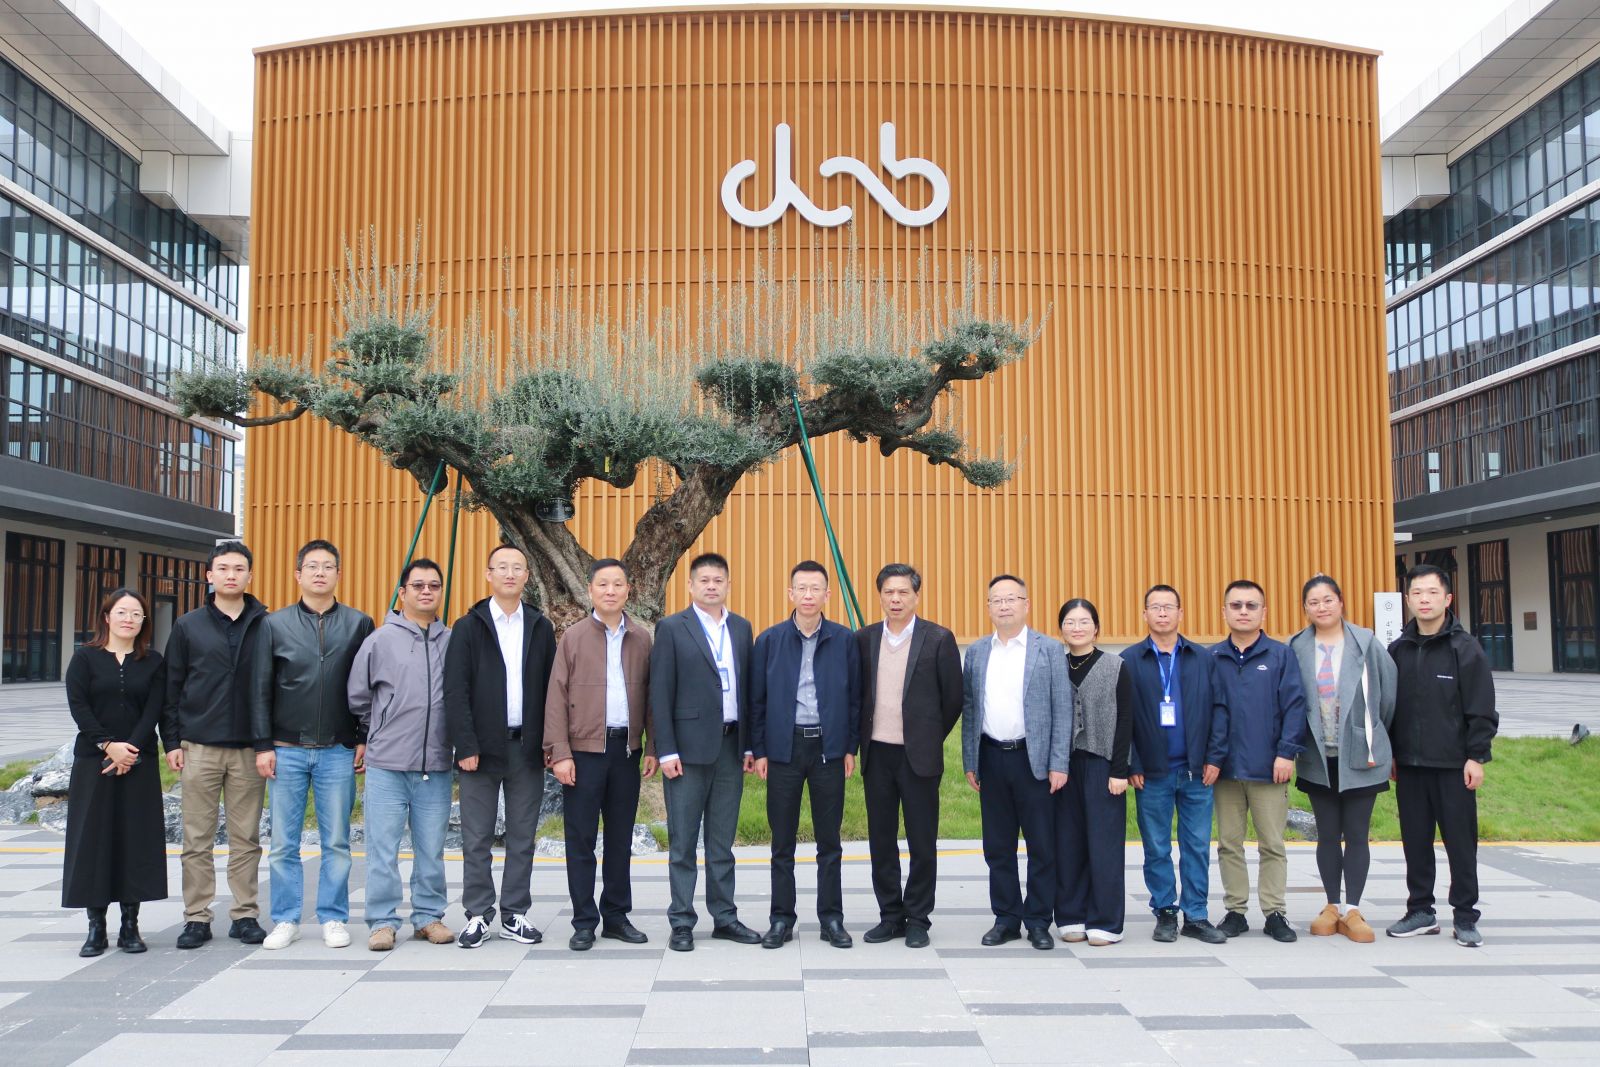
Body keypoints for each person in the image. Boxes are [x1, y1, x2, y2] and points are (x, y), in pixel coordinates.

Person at [251, 539, 375, 950]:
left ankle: (333, 916)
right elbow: (260, 689)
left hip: (338, 750)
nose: (320, 572)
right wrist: (262, 745)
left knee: (336, 841)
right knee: (283, 843)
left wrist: (362, 737)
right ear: (298, 574)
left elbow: (367, 687)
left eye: (328, 566)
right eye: (312, 566)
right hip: (285, 748)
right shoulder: (273, 625)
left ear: (339, 574)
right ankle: (286, 919)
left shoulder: (358, 624)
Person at [445, 543, 557, 949]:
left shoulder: (540, 626)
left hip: (526, 748)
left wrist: (549, 742)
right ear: (488, 574)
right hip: (480, 750)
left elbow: (552, 691)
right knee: (476, 837)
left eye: (518, 568)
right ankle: (477, 914)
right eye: (502, 567)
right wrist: (465, 745)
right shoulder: (469, 626)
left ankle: (514, 914)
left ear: (527, 576)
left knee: (522, 837)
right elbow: (455, 690)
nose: (510, 574)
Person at [648, 552, 761, 952]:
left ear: (728, 584)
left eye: (718, 580)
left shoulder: (741, 628)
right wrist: (665, 750)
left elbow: (748, 690)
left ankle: (725, 917)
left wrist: (750, 744)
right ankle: (681, 921)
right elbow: (660, 692)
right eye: (704, 580)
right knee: (683, 843)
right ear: (691, 586)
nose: (711, 586)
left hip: (731, 747)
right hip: (686, 751)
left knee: (721, 842)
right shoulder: (671, 628)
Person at [160, 540, 269, 950]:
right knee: (196, 839)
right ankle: (196, 917)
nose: (231, 575)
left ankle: (245, 914)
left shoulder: (265, 624)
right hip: (198, 746)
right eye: (223, 568)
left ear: (250, 575)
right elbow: (171, 686)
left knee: (246, 839)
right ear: (209, 575)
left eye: (239, 569)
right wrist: (171, 741)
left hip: (248, 749)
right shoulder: (188, 625)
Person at [544, 558, 656, 951]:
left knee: (620, 838)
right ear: (590, 590)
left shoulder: (641, 639)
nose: (610, 591)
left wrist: (652, 747)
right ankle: (584, 921)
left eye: (618, 584)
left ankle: (616, 916)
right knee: (581, 838)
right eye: (603, 584)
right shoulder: (573, 638)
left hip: (626, 751)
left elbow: (651, 697)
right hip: (583, 752)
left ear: (628, 591)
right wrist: (560, 753)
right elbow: (556, 698)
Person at [750, 561, 862, 950]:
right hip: (785, 749)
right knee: (782, 842)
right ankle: (781, 918)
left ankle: (831, 918)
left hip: (828, 749)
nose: (809, 595)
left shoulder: (844, 640)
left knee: (829, 842)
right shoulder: (770, 640)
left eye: (816, 589)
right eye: (802, 588)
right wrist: (760, 750)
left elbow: (855, 699)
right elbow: (757, 701)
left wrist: (850, 747)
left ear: (828, 595)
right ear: (791, 593)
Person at [1386, 563, 1498, 948]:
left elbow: (1481, 707)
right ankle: (1420, 911)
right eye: (1417, 593)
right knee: (1415, 842)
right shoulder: (1398, 649)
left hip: (1454, 766)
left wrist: (1476, 757)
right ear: (1407, 599)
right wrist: (1391, 753)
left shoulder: (1465, 648)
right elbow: (1389, 708)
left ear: (1447, 599)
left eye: (1432, 592)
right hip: (1410, 766)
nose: (1424, 600)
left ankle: (1465, 916)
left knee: (1460, 845)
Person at [347, 557, 455, 952]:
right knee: (382, 848)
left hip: (436, 764)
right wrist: (379, 727)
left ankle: (428, 916)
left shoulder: (452, 641)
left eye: (434, 586)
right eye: (418, 585)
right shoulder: (380, 640)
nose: (426, 591)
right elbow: (358, 696)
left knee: (432, 848)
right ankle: (382, 921)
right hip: (387, 765)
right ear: (402, 592)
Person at [960, 574, 1071, 951]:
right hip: (992, 757)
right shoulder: (977, 652)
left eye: (1012, 599)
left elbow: (1062, 709)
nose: (1004, 606)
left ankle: (1038, 920)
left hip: (1034, 760)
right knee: (997, 846)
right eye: (997, 600)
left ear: (1026, 604)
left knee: (1042, 845)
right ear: (988, 607)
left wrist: (1059, 762)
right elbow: (971, 708)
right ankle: (1006, 918)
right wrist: (971, 759)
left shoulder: (1049, 649)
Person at [856, 563, 962, 949]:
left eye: (903, 592)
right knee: (881, 840)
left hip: (919, 757)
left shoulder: (938, 639)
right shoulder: (864, 639)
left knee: (921, 840)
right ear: (880, 596)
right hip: (877, 754)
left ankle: (918, 918)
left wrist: (928, 736)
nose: (896, 599)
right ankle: (890, 915)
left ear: (916, 596)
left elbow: (953, 699)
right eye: (889, 592)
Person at [1289, 574, 1397, 944]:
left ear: (1341, 602)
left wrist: (1376, 734)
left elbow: (1387, 696)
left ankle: (1353, 909)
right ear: (1305, 608)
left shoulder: (1365, 643)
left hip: (1360, 753)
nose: (1321, 607)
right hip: (1318, 756)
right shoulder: (1296, 647)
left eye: (1328, 600)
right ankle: (1332, 905)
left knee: (1357, 833)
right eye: (1313, 602)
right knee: (1326, 834)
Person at [1123, 584, 1229, 944]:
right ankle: (1165, 911)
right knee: (1156, 846)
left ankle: (1196, 914)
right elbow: (1124, 718)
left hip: (1196, 771)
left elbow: (1219, 710)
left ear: (1181, 613)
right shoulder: (1130, 660)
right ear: (1144, 614)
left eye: (1169, 607)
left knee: (1196, 845)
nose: (1162, 613)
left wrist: (1214, 757)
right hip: (1151, 772)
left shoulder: (1202, 658)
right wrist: (1132, 762)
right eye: (1155, 607)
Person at [63, 588, 167, 957]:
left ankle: (130, 925)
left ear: (143, 622)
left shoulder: (153, 662)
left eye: (136, 614)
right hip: (94, 762)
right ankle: (96, 927)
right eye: (122, 612)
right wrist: (108, 745)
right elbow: (79, 706)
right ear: (106, 617)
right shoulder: (84, 658)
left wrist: (129, 750)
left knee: (134, 840)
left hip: (139, 762)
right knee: (93, 839)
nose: (129, 619)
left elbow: (154, 709)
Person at [1209, 580, 1308, 944]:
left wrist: (1286, 752)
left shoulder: (1281, 656)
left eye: (1251, 605)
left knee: (1272, 843)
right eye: (1236, 605)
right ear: (1224, 611)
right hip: (1224, 769)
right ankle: (1235, 911)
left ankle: (1274, 912)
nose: (1243, 611)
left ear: (1264, 612)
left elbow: (1295, 706)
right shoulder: (1211, 657)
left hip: (1269, 767)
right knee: (1228, 843)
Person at [1054, 598, 1133, 947]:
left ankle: (1105, 922)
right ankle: (1071, 915)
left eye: (1084, 621)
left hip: (1103, 764)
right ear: (1061, 629)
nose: (1077, 628)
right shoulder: (1054, 665)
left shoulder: (1116, 666)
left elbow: (1126, 719)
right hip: (1063, 766)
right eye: (1070, 622)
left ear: (1096, 628)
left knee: (1104, 845)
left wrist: (1120, 770)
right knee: (1068, 842)